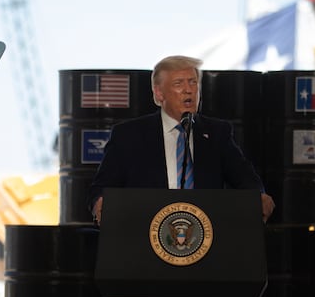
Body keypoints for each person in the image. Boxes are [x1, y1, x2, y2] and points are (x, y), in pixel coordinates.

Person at [86, 55, 275, 225]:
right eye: (178, 84)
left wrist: (258, 195)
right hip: (145, 235)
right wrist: (100, 203)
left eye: (193, 82)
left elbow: (244, 176)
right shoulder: (129, 135)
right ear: (159, 93)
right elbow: (102, 188)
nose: (188, 90)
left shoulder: (217, 133)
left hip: (205, 236)